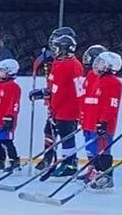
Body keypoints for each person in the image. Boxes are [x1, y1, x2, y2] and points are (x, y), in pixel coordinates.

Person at [29, 26, 82, 178]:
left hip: (65, 108)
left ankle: (69, 162)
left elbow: (71, 90)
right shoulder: (57, 62)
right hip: (55, 105)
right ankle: (50, 157)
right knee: (49, 130)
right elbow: (54, 85)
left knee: (66, 134)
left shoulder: (72, 65)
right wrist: (45, 93)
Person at [79, 50, 122, 191]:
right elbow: (90, 100)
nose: (97, 65)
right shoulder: (98, 79)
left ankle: (106, 177)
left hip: (102, 125)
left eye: (101, 63)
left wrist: (103, 121)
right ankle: (95, 172)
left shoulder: (114, 82)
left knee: (103, 151)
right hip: (91, 122)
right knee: (93, 150)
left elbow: (111, 105)